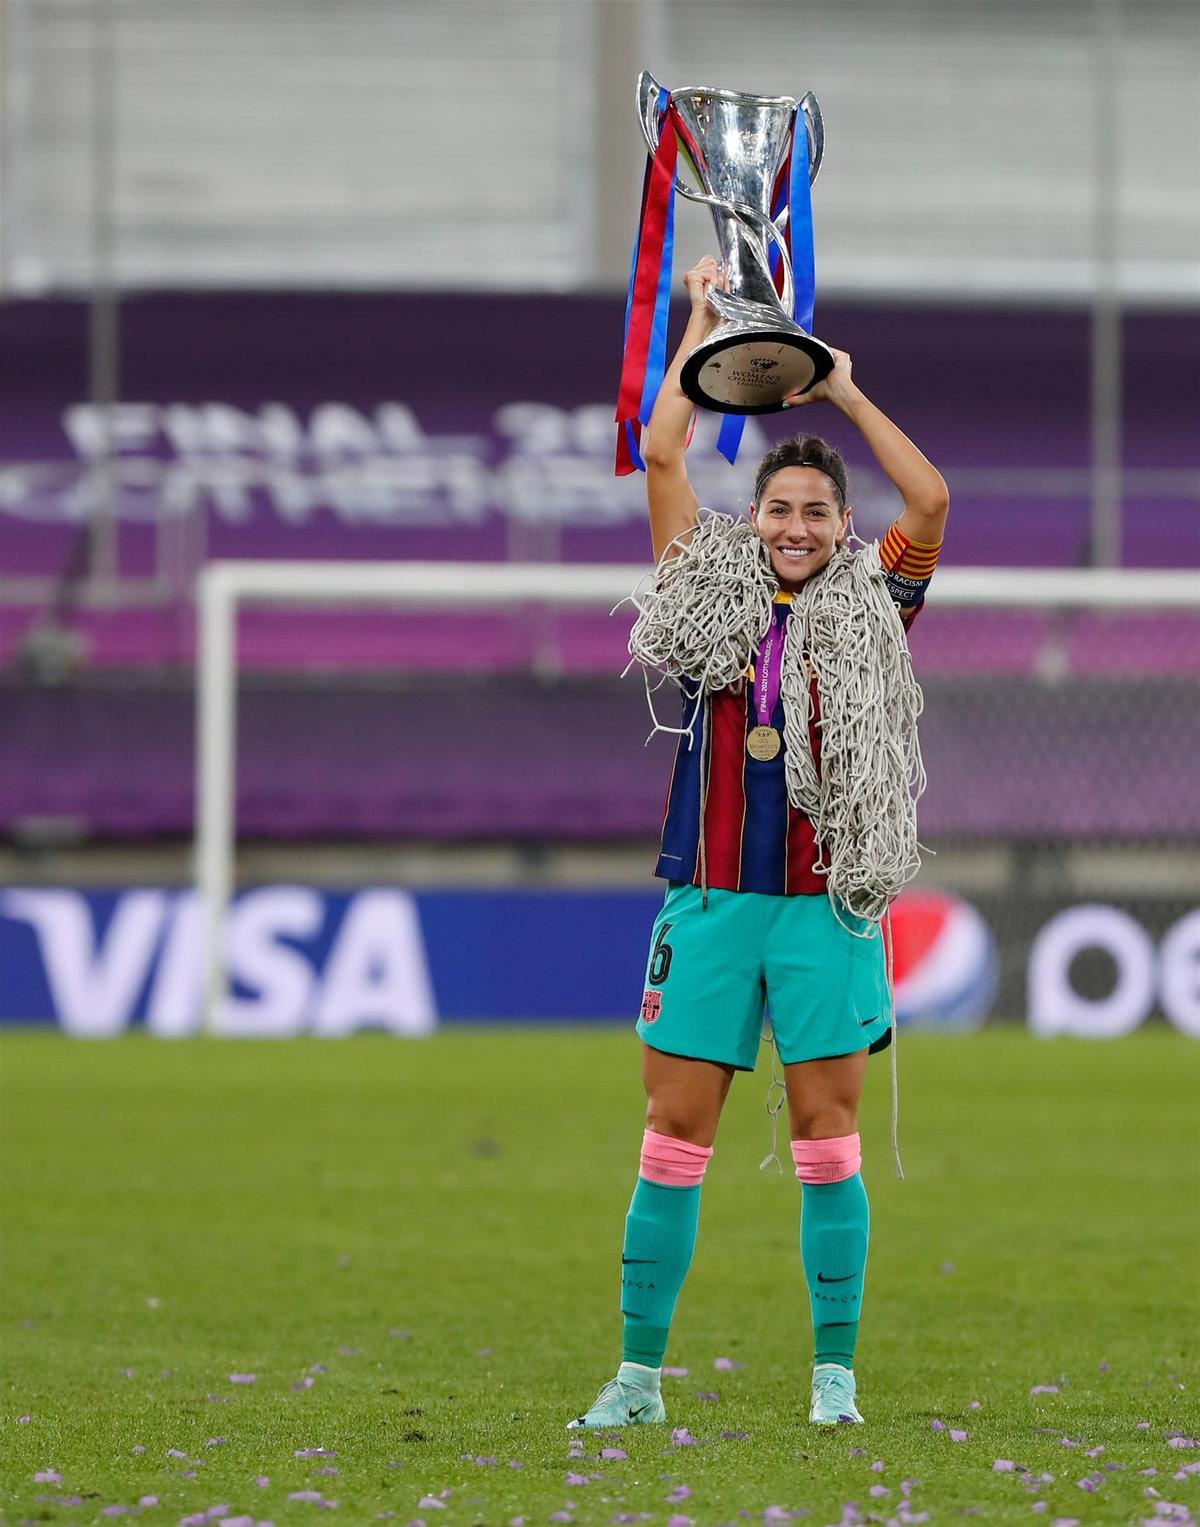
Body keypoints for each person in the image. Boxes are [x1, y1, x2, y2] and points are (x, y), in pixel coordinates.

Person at [568, 255, 950, 1431]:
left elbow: (929, 501)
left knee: (829, 1138)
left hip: (829, 907)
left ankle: (834, 1378)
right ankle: (636, 1379)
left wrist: (837, 389)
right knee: (672, 1136)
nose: (794, 527)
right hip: (714, 901)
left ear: (843, 528)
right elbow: (667, 450)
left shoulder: (877, 602)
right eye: (779, 509)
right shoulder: (706, 586)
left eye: (816, 512)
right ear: (758, 519)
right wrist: (700, 327)